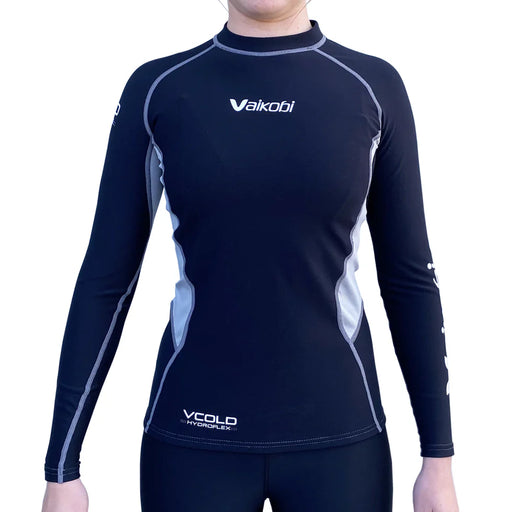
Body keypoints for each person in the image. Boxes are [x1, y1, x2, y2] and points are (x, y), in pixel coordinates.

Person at [41, 1, 460, 511]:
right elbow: (107, 280)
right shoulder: (161, 88)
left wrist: (438, 458)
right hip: (193, 438)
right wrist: (62, 468)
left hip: (341, 444)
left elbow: (409, 278)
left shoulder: (371, 86)